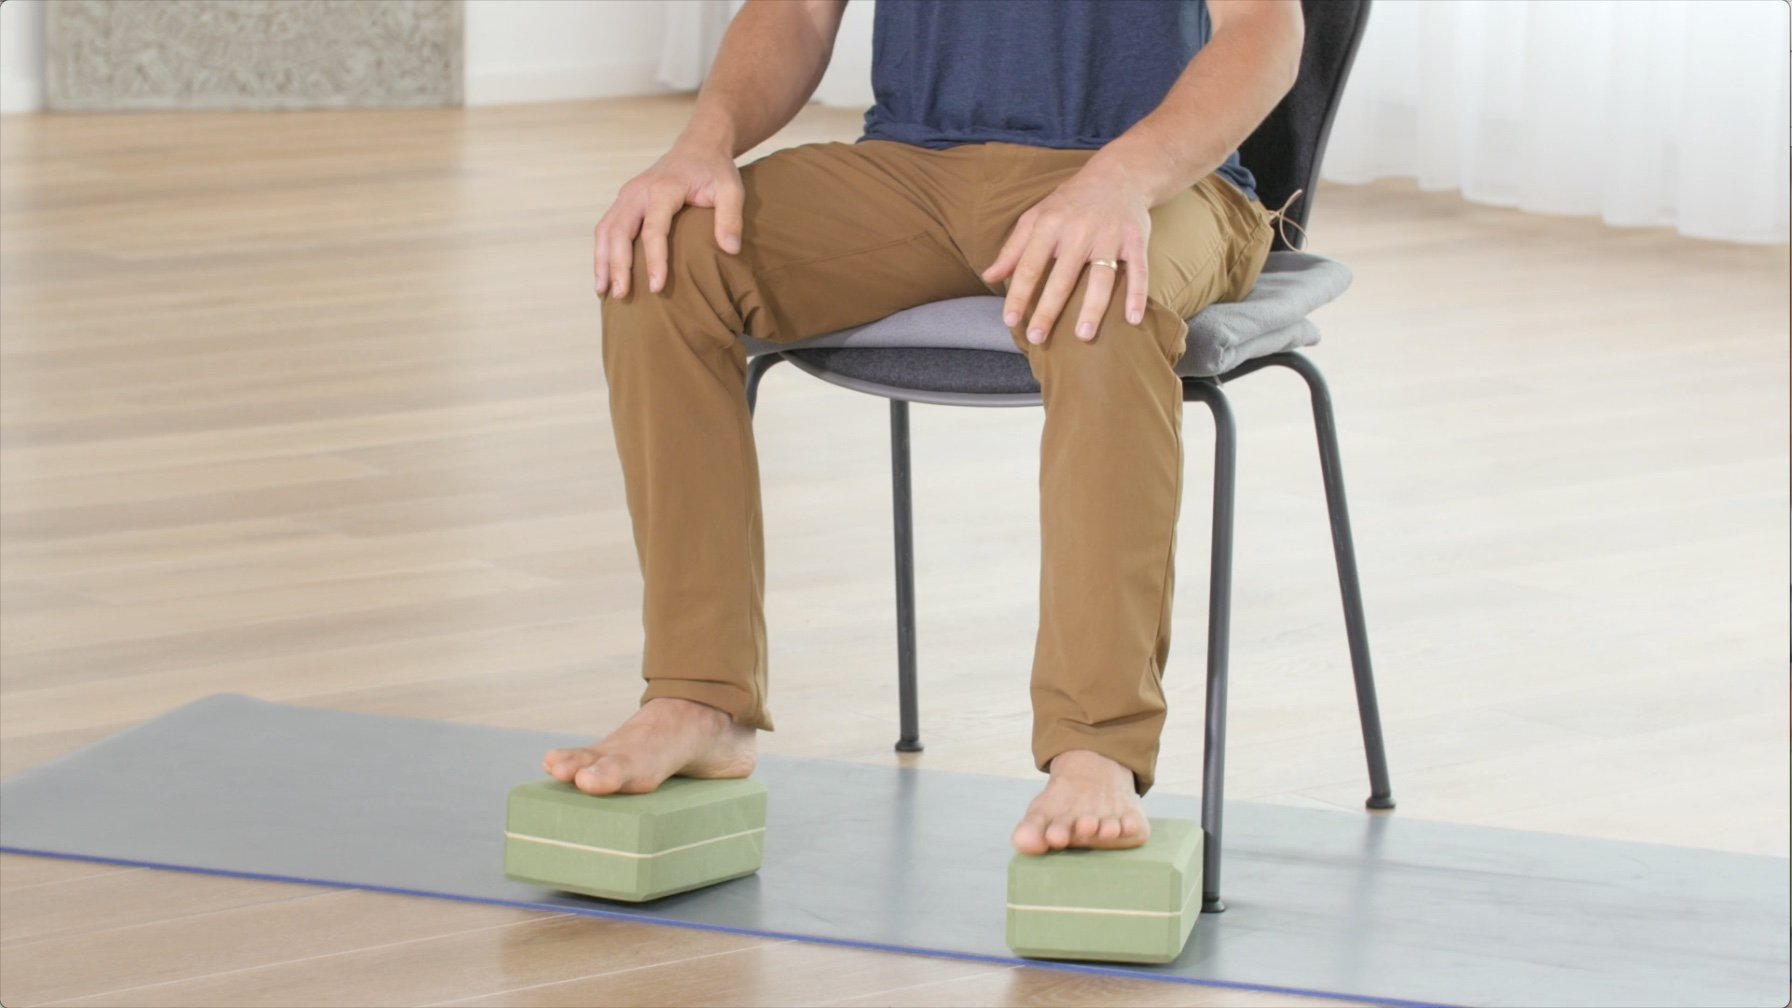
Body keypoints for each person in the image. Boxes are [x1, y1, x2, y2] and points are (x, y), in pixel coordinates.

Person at [544, 0, 1303, 856]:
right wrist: (703, 142)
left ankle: (1097, 746)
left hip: (1153, 181)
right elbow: (794, 12)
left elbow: (1265, 31)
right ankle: (698, 695)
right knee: (661, 259)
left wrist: (1125, 177)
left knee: (1100, 300)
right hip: (912, 170)